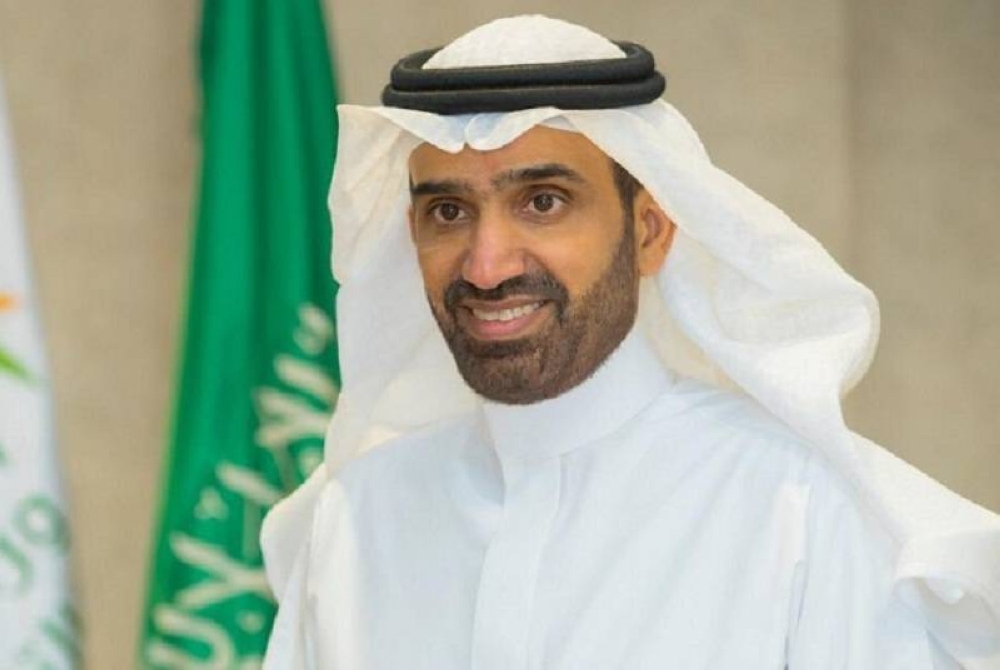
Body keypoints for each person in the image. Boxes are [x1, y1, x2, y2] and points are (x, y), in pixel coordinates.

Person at [261, 16, 1000, 669]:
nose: (487, 266)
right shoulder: (355, 521)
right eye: (448, 211)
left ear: (648, 231)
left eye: (543, 202)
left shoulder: (804, 515)